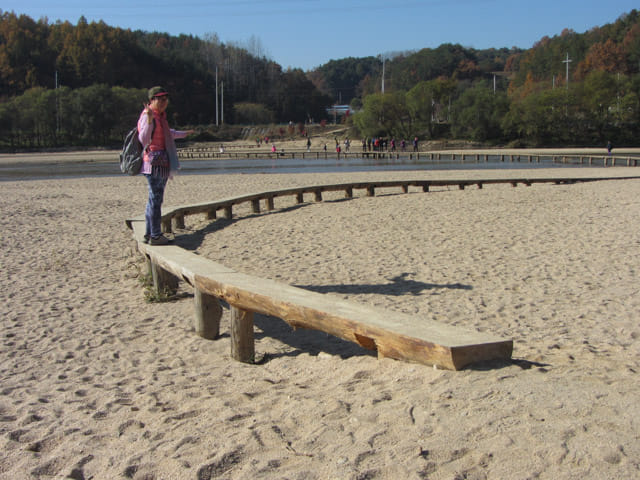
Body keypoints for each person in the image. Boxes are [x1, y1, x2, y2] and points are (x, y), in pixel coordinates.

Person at [138, 86, 194, 245]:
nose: (164, 102)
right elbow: (143, 138)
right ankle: (155, 235)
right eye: (160, 99)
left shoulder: (160, 117)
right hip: (153, 163)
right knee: (156, 200)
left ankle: (149, 233)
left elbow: (169, 133)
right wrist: (148, 120)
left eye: (165, 99)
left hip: (160, 163)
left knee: (153, 199)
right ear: (152, 100)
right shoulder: (148, 116)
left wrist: (185, 133)